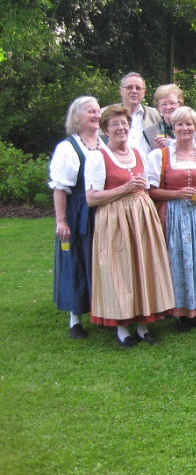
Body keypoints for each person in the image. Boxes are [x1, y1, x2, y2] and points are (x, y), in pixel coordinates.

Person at [85, 105, 174, 347]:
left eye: (124, 123)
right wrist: (124, 189)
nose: (121, 128)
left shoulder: (137, 152)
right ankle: (123, 329)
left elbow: (145, 185)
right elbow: (91, 198)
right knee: (121, 271)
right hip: (115, 219)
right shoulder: (97, 157)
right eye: (114, 124)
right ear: (105, 129)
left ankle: (143, 326)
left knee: (143, 267)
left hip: (141, 216)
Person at [148, 106, 196, 333]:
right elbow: (151, 190)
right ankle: (179, 312)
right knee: (177, 260)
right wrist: (176, 194)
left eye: (189, 124)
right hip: (173, 215)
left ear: (195, 126)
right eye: (180, 124)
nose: (185, 128)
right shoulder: (159, 155)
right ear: (173, 127)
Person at [49, 96, 102, 339]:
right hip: (79, 210)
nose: (96, 115)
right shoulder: (68, 147)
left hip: (102, 209)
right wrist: (62, 221)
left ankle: (101, 310)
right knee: (77, 261)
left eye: (98, 111)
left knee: (99, 261)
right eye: (90, 111)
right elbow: (60, 187)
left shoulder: (104, 142)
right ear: (76, 117)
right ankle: (75, 319)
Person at [104, 72, 160, 154]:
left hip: (148, 165)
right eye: (130, 87)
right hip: (117, 163)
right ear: (121, 91)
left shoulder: (156, 115)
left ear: (144, 93)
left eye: (138, 88)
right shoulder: (107, 114)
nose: (134, 91)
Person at [143, 83, 184, 153]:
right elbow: (144, 159)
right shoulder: (149, 133)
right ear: (158, 107)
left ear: (179, 104)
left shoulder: (191, 129)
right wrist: (156, 151)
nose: (168, 107)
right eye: (164, 104)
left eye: (172, 103)